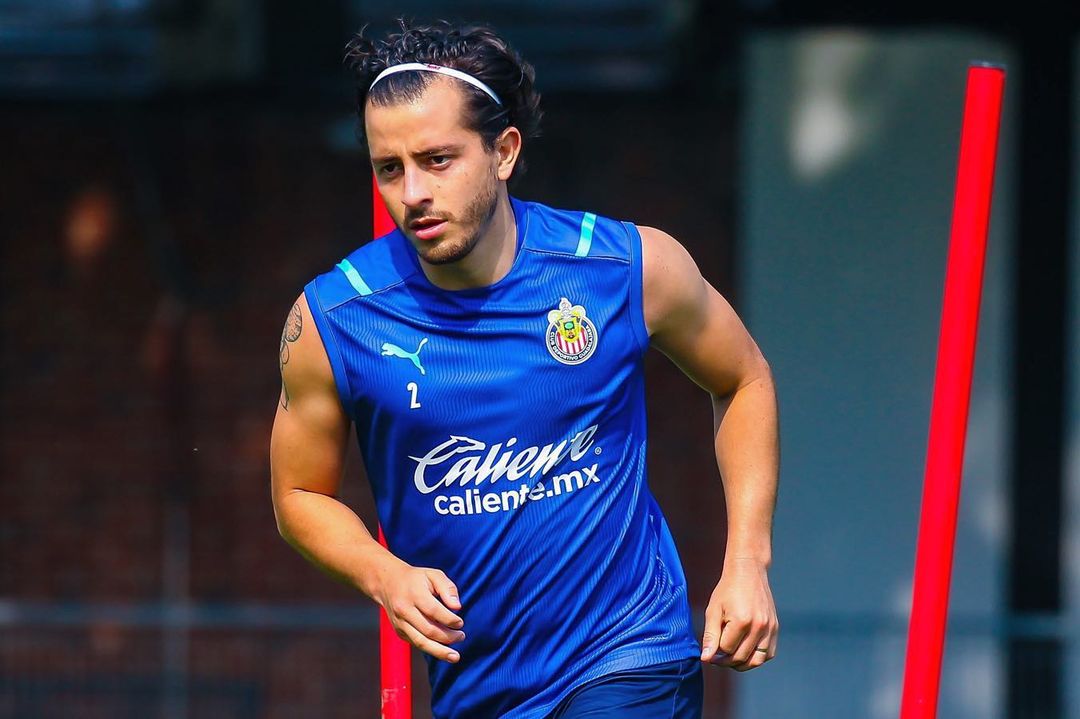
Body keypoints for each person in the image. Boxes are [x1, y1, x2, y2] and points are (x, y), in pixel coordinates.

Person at [270, 20, 779, 719]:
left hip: (627, 656)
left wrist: (747, 562)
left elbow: (743, 379)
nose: (412, 192)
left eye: (438, 160)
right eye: (390, 168)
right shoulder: (334, 320)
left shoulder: (624, 267)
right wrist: (382, 573)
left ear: (504, 151)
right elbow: (299, 493)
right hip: (478, 688)